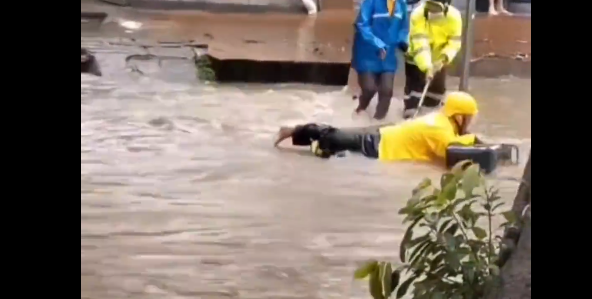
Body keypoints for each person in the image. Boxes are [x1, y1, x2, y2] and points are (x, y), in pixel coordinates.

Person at [274, 91, 481, 164]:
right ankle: (291, 131)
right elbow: (449, 151)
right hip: (377, 145)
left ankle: (302, 139)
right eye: (469, 118)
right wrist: (474, 140)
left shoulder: (441, 120)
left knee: (334, 141)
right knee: (332, 137)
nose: (471, 122)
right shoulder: (440, 129)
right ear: (460, 116)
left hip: (384, 135)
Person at [402, 0, 462, 119]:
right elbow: (420, 44)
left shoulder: (454, 17)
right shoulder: (417, 14)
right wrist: (427, 66)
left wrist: (444, 58)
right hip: (416, 58)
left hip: (439, 60)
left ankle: (430, 118)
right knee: (415, 92)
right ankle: (410, 116)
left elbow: (454, 43)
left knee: (436, 92)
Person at [351, 0, 410, 120]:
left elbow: (404, 27)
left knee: (387, 91)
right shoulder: (371, 2)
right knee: (369, 89)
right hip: (367, 53)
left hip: (388, 56)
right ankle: (359, 112)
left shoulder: (401, 4)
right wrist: (378, 44)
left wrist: (403, 41)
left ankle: (377, 123)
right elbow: (362, 25)